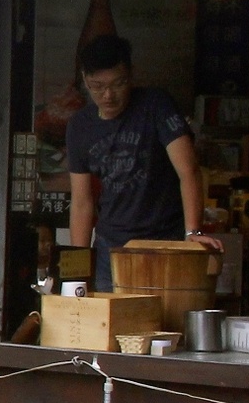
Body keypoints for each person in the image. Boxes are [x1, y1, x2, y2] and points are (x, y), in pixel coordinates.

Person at [65, 35, 219, 289]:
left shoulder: (156, 105)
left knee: (160, 323)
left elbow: (189, 171)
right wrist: (77, 268)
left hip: (163, 243)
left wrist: (193, 233)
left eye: (118, 83)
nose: (108, 95)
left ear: (131, 75)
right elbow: (82, 203)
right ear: (84, 80)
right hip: (109, 249)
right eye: (97, 86)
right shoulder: (80, 126)